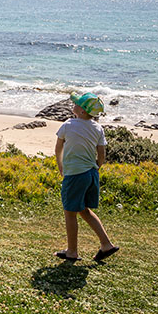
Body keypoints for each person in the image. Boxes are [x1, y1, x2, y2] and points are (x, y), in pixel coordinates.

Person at [54, 92, 119, 262]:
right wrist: (97, 167)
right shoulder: (98, 128)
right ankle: (106, 244)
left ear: (82, 111)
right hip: (91, 174)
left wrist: (61, 165)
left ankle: (72, 251)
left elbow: (58, 148)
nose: (72, 105)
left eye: (77, 104)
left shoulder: (68, 125)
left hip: (75, 174)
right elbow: (102, 154)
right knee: (84, 210)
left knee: (70, 213)